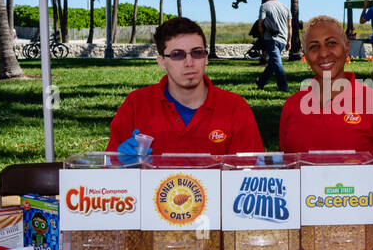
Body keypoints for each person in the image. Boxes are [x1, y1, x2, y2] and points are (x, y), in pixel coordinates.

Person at [107, 16, 263, 155]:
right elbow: (109, 170)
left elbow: (251, 174)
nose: (189, 62)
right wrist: (120, 163)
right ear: (161, 62)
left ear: (206, 58)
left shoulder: (235, 107)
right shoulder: (136, 104)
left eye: (197, 53)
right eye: (177, 54)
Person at [279, 16, 373, 154]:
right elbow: (286, 166)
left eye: (331, 43)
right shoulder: (292, 106)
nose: (324, 53)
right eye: (314, 46)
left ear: (346, 47)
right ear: (306, 56)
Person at [255, 0, 291, 92]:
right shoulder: (285, 7)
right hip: (283, 39)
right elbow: (289, 25)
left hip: (271, 39)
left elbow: (260, 23)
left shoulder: (265, 6)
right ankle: (261, 82)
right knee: (273, 62)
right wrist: (289, 40)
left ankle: (283, 87)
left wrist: (262, 35)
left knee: (276, 62)